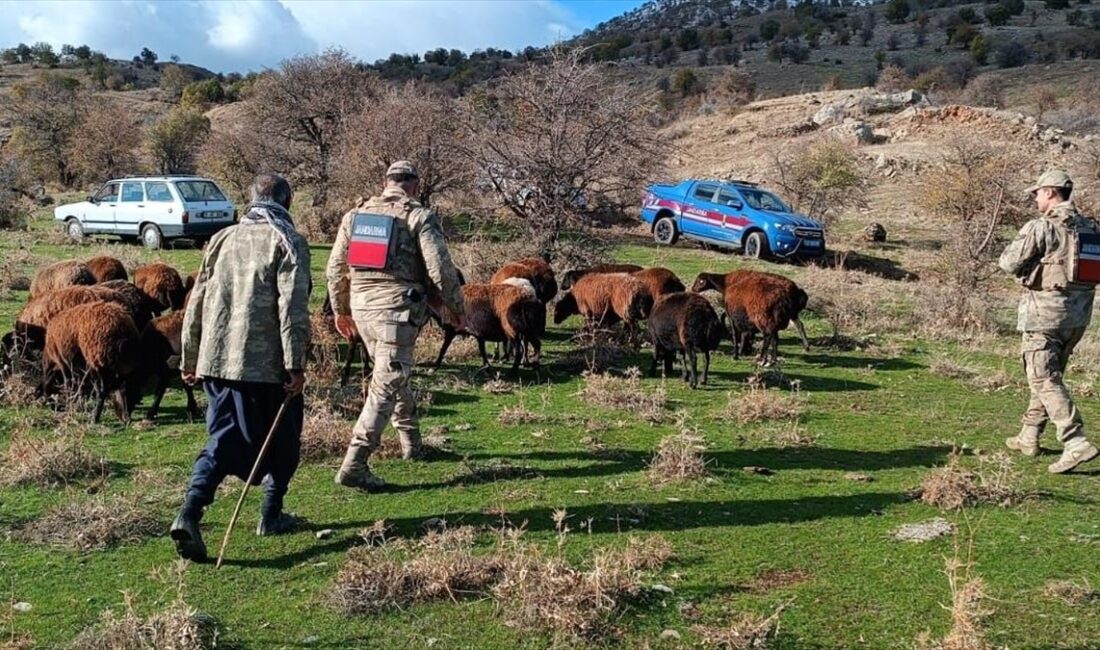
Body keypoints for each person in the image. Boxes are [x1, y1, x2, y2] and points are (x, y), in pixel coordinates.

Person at [170, 173, 312, 561]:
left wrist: (190, 356)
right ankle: (260, 512)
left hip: (216, 361)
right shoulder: (288, 241)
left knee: (225, 437)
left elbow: (195, 299)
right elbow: (292, 308)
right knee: (281, 437)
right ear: (287, 201)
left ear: (250, 199)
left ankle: (205, 511)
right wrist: (296, 363)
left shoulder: (221, 238)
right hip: (264, 365)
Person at [326, 160, 464, 490]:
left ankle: (412, 444)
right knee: (386, 383)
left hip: (362, 309)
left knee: (392, 373)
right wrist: (457, 308)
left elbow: (334, 269)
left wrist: (341, 311)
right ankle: (355, 463)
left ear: (384, 182)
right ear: (415, 186)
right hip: (397, 312)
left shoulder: (354, 216)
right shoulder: (419, 216)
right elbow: (440, 271)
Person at [999, 169, 1100, 474]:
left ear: (1051, 192)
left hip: (1045, 314)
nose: (1035, 197)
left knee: (1043, 378)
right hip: (1078, 317)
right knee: (1047, 377)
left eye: (1038, 192)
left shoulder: (1042, 227)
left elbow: (1008, 262)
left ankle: (1075, 441)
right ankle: (1029, 435)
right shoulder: (1091, 227)